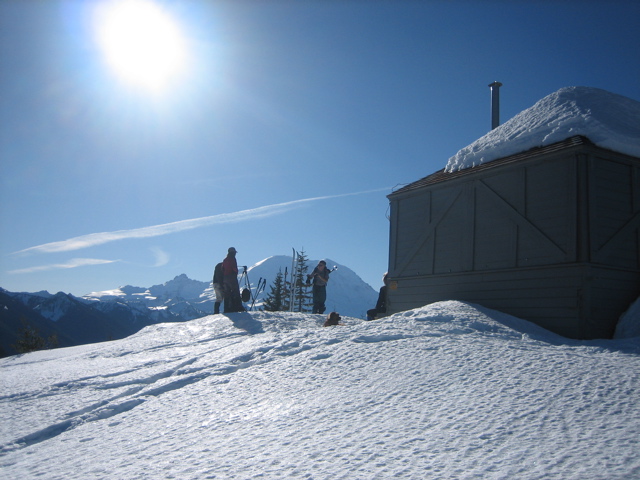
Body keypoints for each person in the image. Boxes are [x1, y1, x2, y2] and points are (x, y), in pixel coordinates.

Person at [222, 247, 243, 313]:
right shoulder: (232, 259)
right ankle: (237, 307)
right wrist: (235, 272)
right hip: (232, 277)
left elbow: (222, 268)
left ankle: (227, 309)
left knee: (227, 293)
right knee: (236, 292)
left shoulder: (225, 259)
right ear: (233, 252)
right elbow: (234, 267)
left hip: (225, 278)